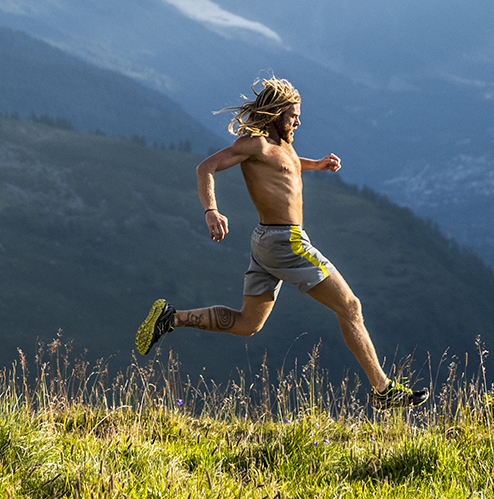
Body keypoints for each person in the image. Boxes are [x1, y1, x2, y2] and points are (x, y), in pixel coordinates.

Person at [133, 76, 429, 410]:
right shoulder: (255, 144)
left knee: (248, 324)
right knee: (350, 306)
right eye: (292, 116)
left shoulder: (283, 146)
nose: (298, 121)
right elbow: (207, 167)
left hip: (265, 243)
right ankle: (383, 390)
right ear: (275, 115)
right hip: (285, 242)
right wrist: (211, 211)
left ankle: (170, 318)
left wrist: (315, 164)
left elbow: (285, 165)